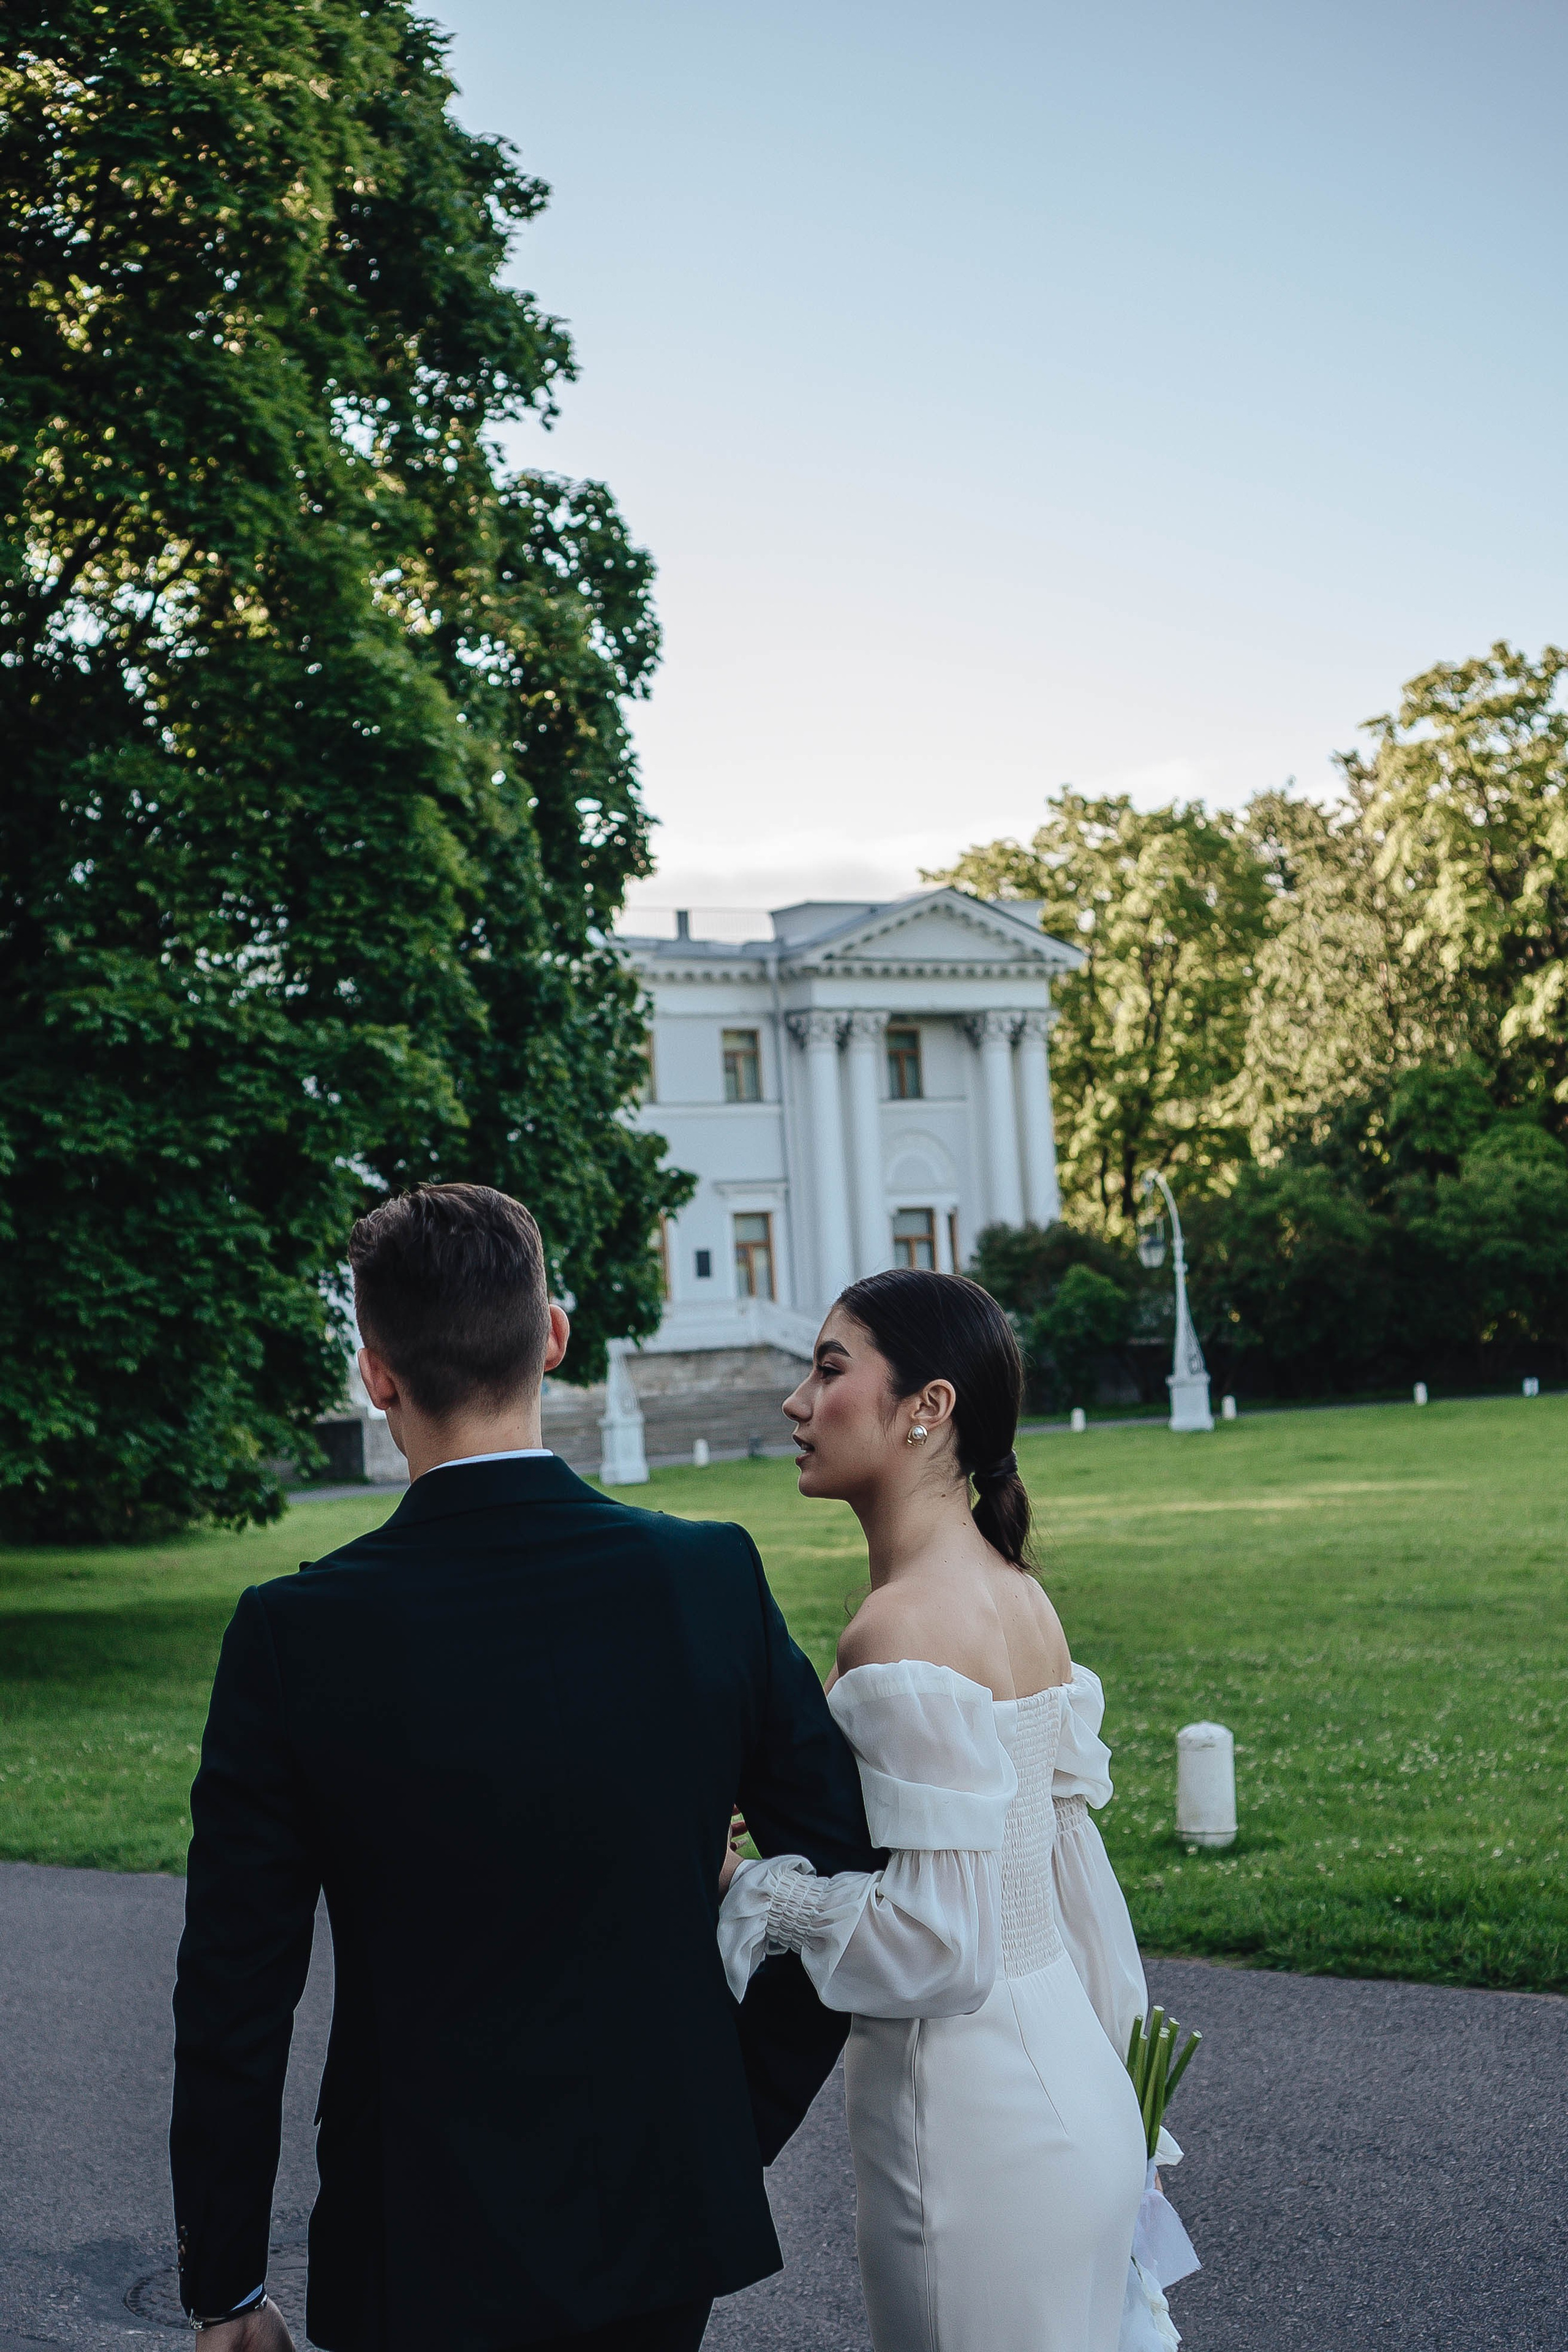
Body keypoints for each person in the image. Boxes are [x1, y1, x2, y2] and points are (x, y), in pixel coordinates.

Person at [170, 1183, 879, 2352]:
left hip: (416, 2226)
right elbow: (846, 1876)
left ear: (375, 1376)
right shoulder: (704, 1580)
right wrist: (723, 2110)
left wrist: (227, 2283)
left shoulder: (293, 1635)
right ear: (552, 1336)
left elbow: (236, 1993)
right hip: (655, 2203)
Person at [718, 1268, 1150, 2352]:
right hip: (1077, 2084)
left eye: (828, 1370)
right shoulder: (1018, 1593)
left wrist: (746, 1888)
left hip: (970, 2127)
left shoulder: (900, 1628)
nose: (798, 1403)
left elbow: (939, 1947)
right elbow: (1071, 1887)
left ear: (929, 1407)